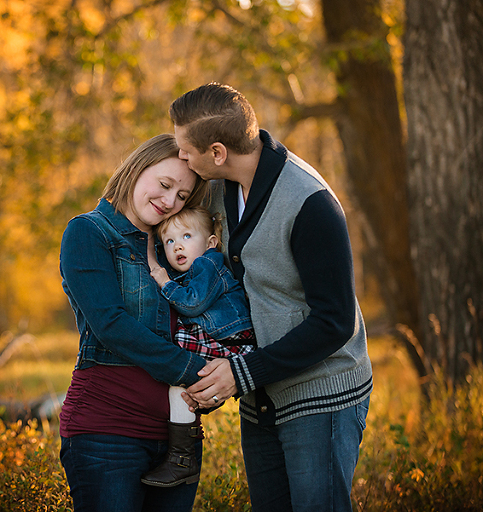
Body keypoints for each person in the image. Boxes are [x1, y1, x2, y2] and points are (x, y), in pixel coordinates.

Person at [170, 83, 372, 512]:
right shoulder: (221, 189)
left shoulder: (310, 203)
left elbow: (334, 322)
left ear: (218, 151)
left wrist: (241, 372)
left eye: (186, 150)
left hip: (320, 397)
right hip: (261, 394)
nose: (182, 159)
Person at [59, 133, 211, 512]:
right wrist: (198, 371)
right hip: (108, 433)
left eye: (182, 196)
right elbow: (111, 325)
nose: (169, 201)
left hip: (180, 442)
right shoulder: (89, 232)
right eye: (165, 184)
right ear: (136, 167)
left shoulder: (175, 246)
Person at [140, 206, 256, 488]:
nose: (177, 245)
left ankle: (183, 458)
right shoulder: (195, 265)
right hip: (221, 340)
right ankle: (182, 455)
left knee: (178, 373)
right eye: (169, 241)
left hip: (232, 342)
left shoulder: (209, 263)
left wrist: (164, 281)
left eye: (187, 236)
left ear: (211, 243)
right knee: (182, 385)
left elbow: (193, 304)